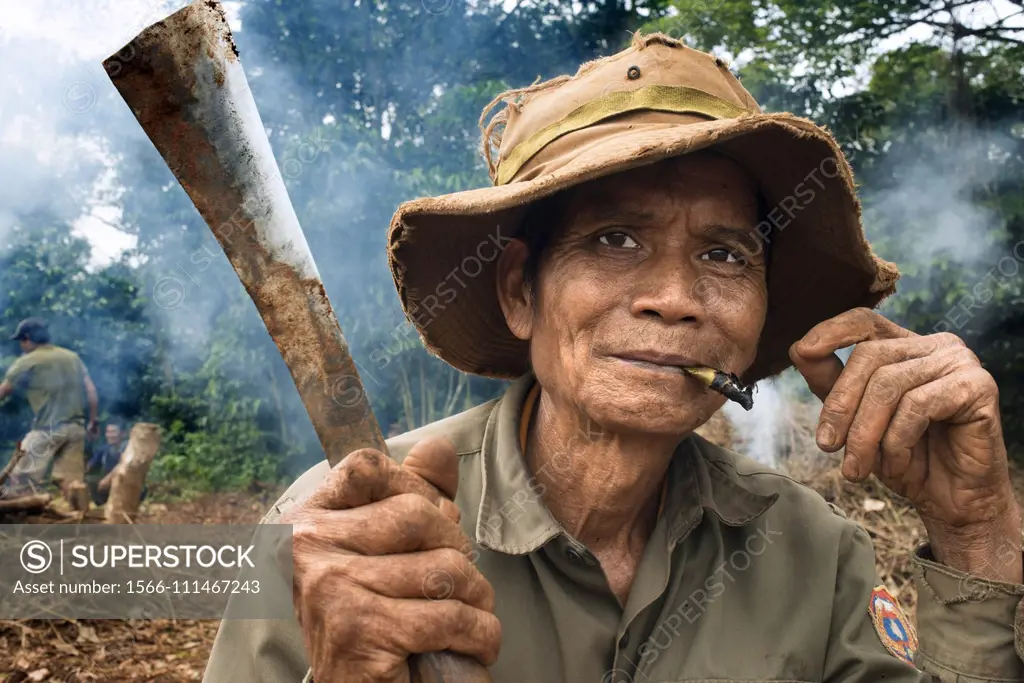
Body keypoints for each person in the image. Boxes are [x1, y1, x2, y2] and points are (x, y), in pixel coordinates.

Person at [203, 33, 1024, 682]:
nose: (675, 296)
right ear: (521, 290)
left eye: (726, 256)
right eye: (616, 239)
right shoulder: (343, 532)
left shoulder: (810, 550)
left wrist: (975, 530)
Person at [0, 318, 98, 510]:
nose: (21, 346)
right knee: (72, 485)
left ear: (28, 339)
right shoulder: (72, 357)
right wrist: (93, 422)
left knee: (20, 480)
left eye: (22, 341)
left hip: (47, 430)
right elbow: (91, 392)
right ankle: (81, 527)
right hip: (76, 429)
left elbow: (3, 391)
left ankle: (18, 529)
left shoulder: (27, 361)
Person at [86, 421, 128, 506]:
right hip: (107, 484)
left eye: (113, 432)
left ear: (123, 434)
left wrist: (108, 479)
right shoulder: (104, 449)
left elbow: (123, 465)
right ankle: (101, 505)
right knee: (88, 480)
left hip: (125, 482)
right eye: (108, 432)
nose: (109, 435)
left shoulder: (128, 447)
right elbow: (90, 465)